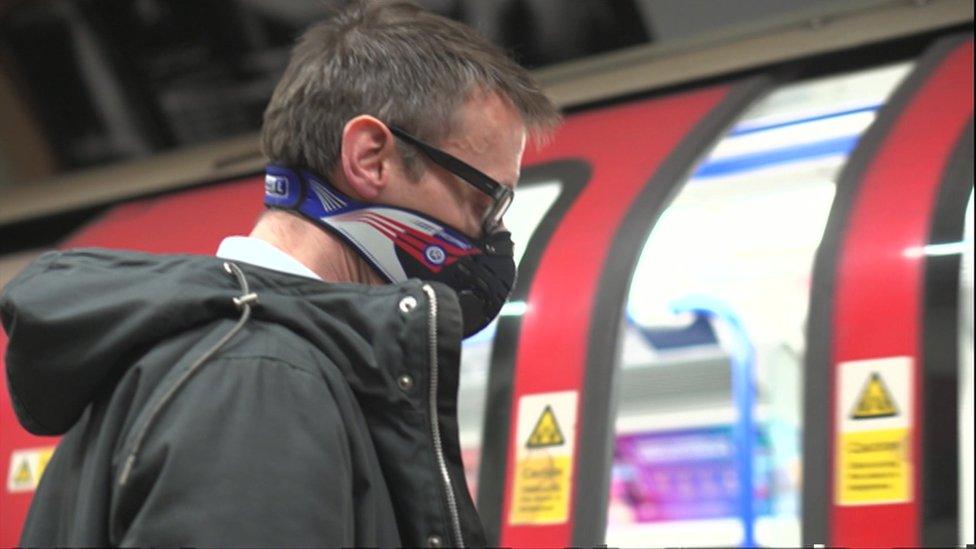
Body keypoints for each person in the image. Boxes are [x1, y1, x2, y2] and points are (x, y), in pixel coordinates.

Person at [0, 1, 559, 546]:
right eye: (485, 200)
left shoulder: (230, 351)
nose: (490, 235)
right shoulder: (259, 379)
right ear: (371, 159)